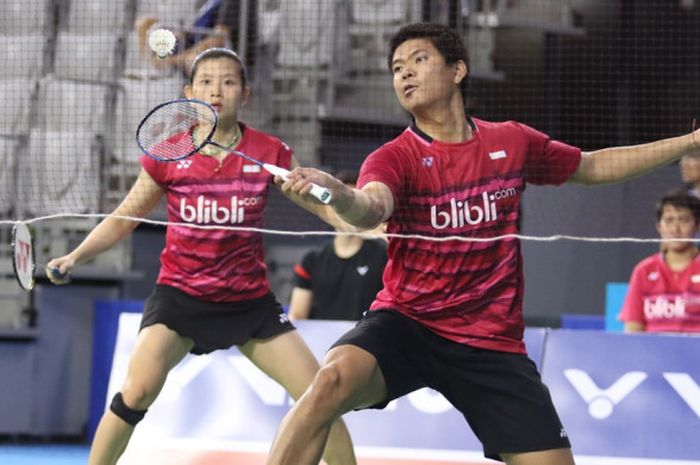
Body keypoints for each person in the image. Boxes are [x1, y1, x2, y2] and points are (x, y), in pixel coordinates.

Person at [266, 23, 700, 465]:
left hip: (491, 342)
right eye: (397, 68)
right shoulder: (394, 157)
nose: (405, 75)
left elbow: (591, 167)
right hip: (408, 323)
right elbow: (371, 207)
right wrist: (336, 192)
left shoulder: (510, 142)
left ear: (458, 70)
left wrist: (689, 143)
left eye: (419, 60)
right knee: (329, 382)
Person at [45, 48, 355, 465]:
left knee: (322, 397)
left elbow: (324, 209)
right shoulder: (168, 155)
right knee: (135, 393)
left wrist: (367, 225)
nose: (216, 90)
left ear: (244, 93)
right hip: (180, 298)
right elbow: (122, 219)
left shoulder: (269, 151)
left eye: (228, 82)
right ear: (189, 92)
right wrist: (74, 257)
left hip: (248, 303)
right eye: (206, 81)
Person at [289, 170, 387, 321]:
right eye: (342, 204)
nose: (348, 212)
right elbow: (297, 315)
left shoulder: (384, 256)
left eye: (354, 205)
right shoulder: (313, 260)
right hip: (321, 341)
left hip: (366, 338)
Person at [619, 191, 700, 333]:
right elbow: (633, 328)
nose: (675, 229)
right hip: (653, 352)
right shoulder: (644, 270)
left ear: (697, 225)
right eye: (669, 221)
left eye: (684, 220)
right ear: (659, 227)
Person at [135, 0, 257, 75]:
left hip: (207, 51)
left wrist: (176, 59)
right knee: (144, 23)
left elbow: (218, 38)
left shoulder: (233, 2)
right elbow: (198, 26)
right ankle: (149, 66)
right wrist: (182, 32)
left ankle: (161, 64)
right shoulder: (207, 2)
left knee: (192, 58)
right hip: (188, 40)